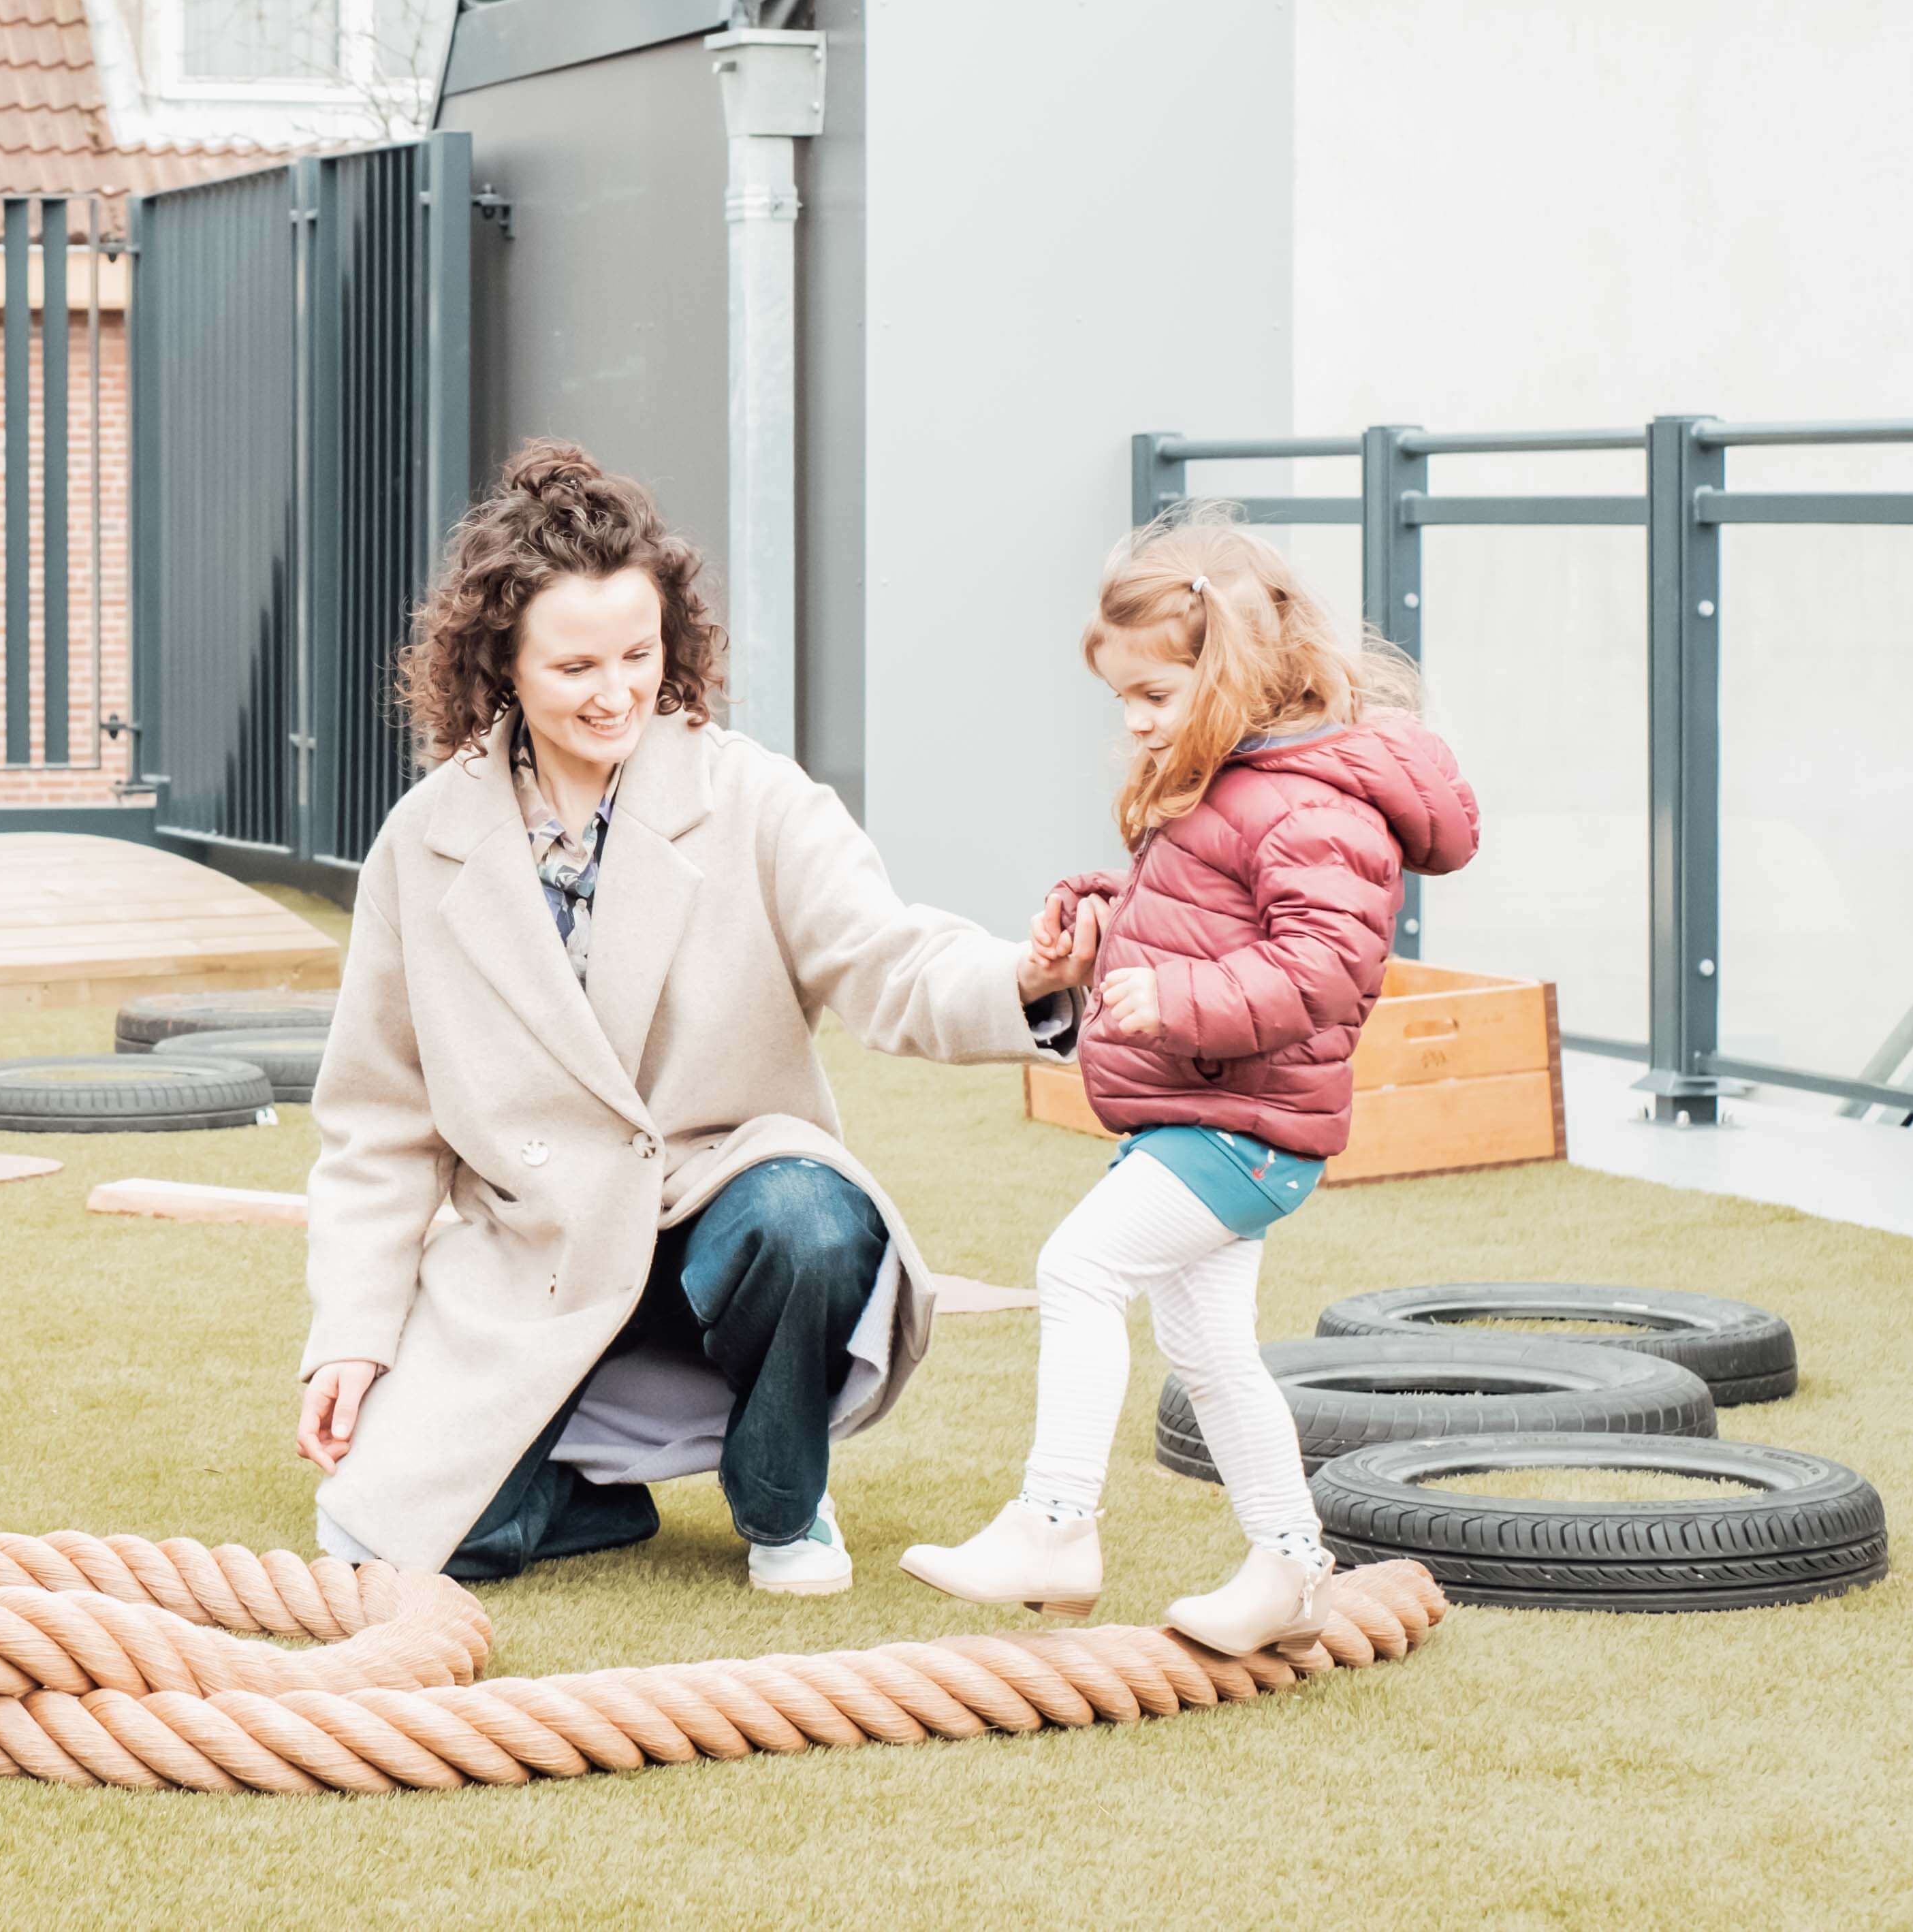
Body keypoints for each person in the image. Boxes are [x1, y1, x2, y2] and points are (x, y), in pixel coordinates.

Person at [296, 443, 1096, 1591]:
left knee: (809, 1218)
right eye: (574, 665)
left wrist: (1022, 976)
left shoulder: (752, 797)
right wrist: (353, 1337)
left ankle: (783, 1499)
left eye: (637, 652)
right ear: (500, 669)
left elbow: (882, 957)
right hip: (543, 1255)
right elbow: (376, 1124)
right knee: (422, 1541)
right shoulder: (423, 844)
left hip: (728, 1205)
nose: (615, 690)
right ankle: (586, 1492)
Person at [900, 507, 1479, 1653]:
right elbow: (1205, 914)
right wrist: (1101, 923)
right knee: (1210, 1352)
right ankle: (1290, 1571)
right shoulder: (1239, 775)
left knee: (1076, 1269)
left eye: (1154, 697)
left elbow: (1324, 965)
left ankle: (1054, 1524)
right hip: (1213, 1113)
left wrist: (1176, 1003)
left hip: (1246, 1126)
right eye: (1122, 697)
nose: (1133, 721)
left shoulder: (1315, 801)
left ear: (1238, 676)